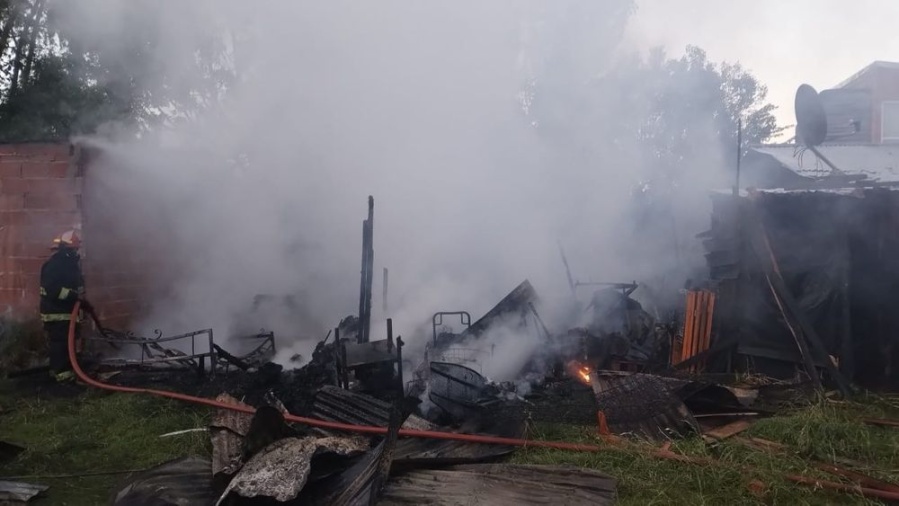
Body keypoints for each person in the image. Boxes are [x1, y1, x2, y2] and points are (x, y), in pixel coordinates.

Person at [39, 230, 90, 383]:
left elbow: (78, 286)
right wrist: (74, 296)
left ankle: (64, 370)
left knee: (69, 342)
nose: (76, 252)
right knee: (60, 343)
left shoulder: (70, 265)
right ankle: (62, 374)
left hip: (68, 312)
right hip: (56, 312)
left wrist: (82, 301)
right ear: (65, 249)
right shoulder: (54, 266)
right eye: (74, 249)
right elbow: (52, 290)